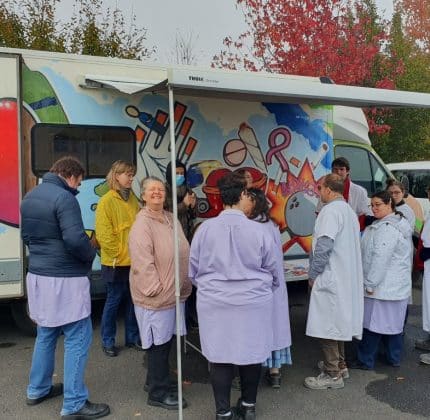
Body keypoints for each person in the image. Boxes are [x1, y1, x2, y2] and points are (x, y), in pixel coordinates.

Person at [20, 156, 110, 419]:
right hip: (65, 279)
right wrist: (89, 255)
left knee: (46, 333)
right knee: (77, 336)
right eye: (78, 183)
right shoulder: (64, 198)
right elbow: (74, 238)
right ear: (70, 176)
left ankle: (37, 389)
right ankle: (74, 403)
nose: (77, 188)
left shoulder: (30, 196)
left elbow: (27, 236)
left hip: (38, 274)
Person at [189, 172, 280, 420]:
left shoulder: (204, 230)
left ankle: (223, 412)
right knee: (251, 353)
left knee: (220, 355)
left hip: (215, 302)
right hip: (253, 301)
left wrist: (211, 288)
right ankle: (249, 406)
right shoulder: (259, 230)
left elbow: (193, 270)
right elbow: (273, 269)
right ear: (242, 195)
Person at [129, 176, 191, 410]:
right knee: (158, 344)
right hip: (156, 296)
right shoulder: (142, 224)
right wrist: (156, 289)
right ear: (143, 196)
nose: (156, 193)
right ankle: (157, 393)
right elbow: (143, 263)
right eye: (151, 190)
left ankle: (156, 380)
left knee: (166, 342)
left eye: (160, 190)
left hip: (173, 292)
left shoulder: (168, 217)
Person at [304, 173, 363, 390]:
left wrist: (313, 274)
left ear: (329, 189)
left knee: (326, 325)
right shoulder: (348, 210)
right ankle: (341, 365)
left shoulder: (330, 212)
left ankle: (332, 374)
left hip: (330, 276)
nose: (319, 192)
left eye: (320, 188)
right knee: (338, 322)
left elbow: (324, 246)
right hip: (343, 277)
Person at [351, 190, 412, 369]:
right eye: (372, 205)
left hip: (381, 287)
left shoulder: (386, 228)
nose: (374, 208)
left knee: (372, 326)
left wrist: (370, 283)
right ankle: (393, 358)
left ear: (389, 205)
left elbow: (380, 258)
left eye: (378, 205)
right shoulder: (395, 224)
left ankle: (365, 361)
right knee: (393, 327)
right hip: (395, 287)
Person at [95, 160, 141, 357]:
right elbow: (104, 235)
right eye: (127, 174)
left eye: (132, 174)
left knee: (133, 301)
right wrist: (120, 255)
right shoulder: (106, 201)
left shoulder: (132, 199)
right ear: (116, 176)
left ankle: (132, 338)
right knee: (113, 302)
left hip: (133, 261)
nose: (131, 178)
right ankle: (108, 341)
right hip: (115, 263)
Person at [248, 188, 292, 389]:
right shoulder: (271, 225)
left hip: (260, 284)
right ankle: (275, 371)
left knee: (256, 328)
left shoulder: (250, 227)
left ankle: (252, 371)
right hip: (274, 283)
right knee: (274, 325)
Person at [164, 160, 198, 329]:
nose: (179, 177)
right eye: (176, 173)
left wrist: (192, 205)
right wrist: (184, 204)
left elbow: (193, 214)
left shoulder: (188, 190)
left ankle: (190, 317)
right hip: (170, 242)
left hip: (187, 240)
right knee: (173, 282)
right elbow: (168, 213)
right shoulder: (163, 190)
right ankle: (175, 319)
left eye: (181, 174)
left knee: (188, 281)